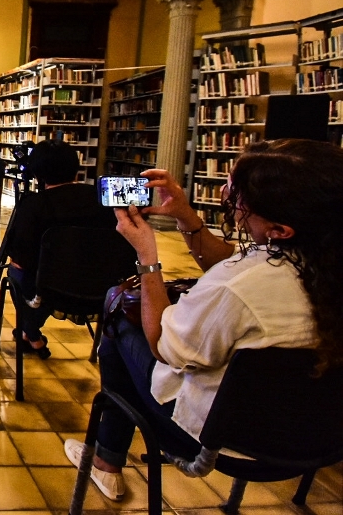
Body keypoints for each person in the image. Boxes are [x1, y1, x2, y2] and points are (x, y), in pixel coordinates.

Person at [65, 139, 343, 502]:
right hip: (321, 437)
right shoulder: (320, 257)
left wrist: (147, 256)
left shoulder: (238, 287)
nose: (227, 197)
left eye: (238, 197)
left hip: (225, 442)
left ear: (279, 230)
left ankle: (107, 459)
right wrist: (185, 216)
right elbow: (231, 260)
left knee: (117, 309)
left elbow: (162, 346)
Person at [5, 139, 115, 358]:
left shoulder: (33, 205)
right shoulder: (104, 200)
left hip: (48, 292)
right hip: (101, 291)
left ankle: (32, 334)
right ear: (75, 167)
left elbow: (21, 257)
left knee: (17, 271)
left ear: (37, 173)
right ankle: (30, 335)